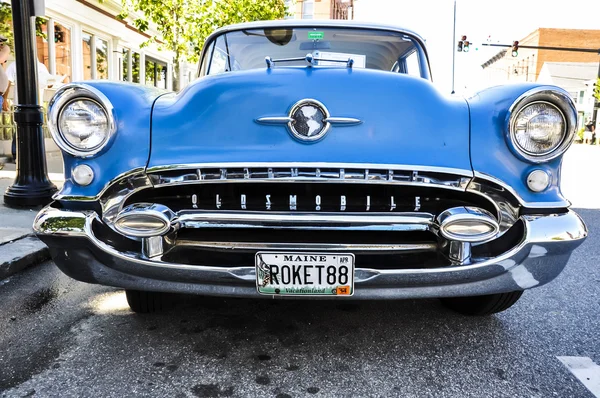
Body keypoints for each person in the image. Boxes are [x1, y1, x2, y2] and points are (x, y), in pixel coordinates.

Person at [4, 56, 52, 160]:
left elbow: (49, 83)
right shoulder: (15, 65)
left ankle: (36, 154)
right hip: (20, 103)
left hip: (37, 103)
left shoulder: (41, 67)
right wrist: (5, 99)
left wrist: (51, 82)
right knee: (19, 128)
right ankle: (16, 154)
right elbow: (7, 81)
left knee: (37, 128)